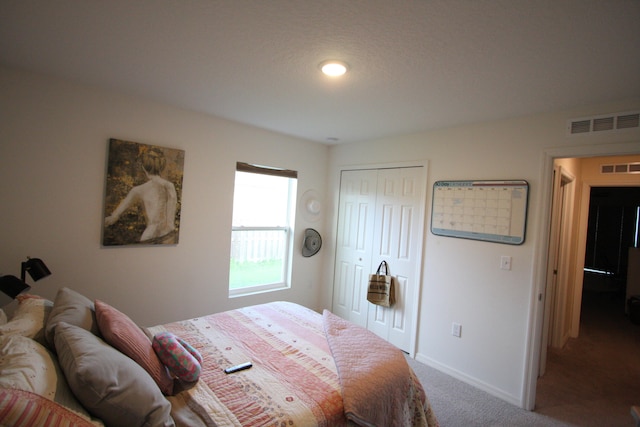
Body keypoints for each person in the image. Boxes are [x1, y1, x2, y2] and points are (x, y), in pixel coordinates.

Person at [105, 148, 178, 243]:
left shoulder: (139, 190)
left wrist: (109, 219)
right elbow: (170, 218)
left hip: (150, 236)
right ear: (161, 166)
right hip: (169, 236)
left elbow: (114, 216)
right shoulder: (170, 186)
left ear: (143, 167)